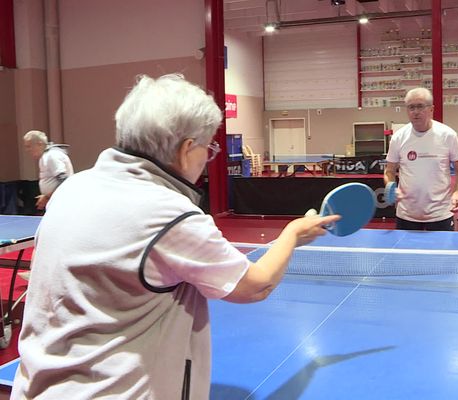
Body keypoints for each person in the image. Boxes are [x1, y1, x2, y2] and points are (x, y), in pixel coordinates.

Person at [11, 74, 339, 400]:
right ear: (185, 150)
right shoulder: (167, 212)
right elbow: (255, 285)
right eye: (208, 148)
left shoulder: (74, 187)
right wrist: (293, 233)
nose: (207, 159)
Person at [384, 87, 458, 231]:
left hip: (440, 215)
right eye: (411, 107)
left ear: (431, 109)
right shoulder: (398, 138)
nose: (415, 112)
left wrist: (457, 193)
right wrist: (392, 187)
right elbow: (389, 171)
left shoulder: (448, 135)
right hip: (406, 215)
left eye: (420, 106)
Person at [23, 130, 74, 210]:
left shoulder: (52, 156)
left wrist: (46, 197)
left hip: (61, 203)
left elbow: (64, 181)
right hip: (55, 201)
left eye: (29, 146)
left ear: (39, 144)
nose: (27, 150)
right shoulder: (45, 157)